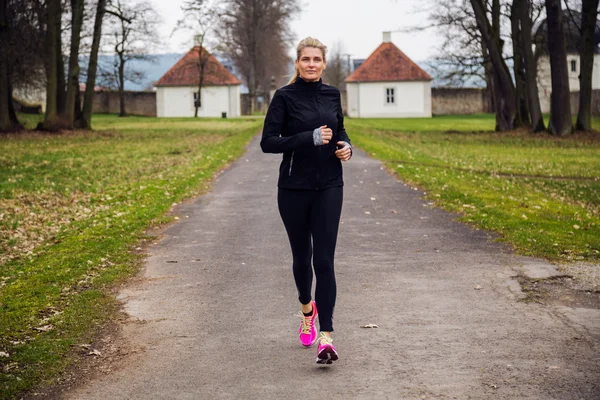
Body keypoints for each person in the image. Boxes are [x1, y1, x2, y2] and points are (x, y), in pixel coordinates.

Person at [260, 37, 352, 365]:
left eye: (317, 59)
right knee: (303, 258)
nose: (311, 64)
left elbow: (340, 130)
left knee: (324, 262)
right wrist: (307, 139)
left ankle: (326, 337)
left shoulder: (332, 94)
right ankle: (306, 308)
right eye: (305, 59)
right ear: (297, 63)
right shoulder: (284, 97)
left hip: (329, 185)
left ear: (324, 64)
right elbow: (268, 143)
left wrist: (346, 147)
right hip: (293, 189)